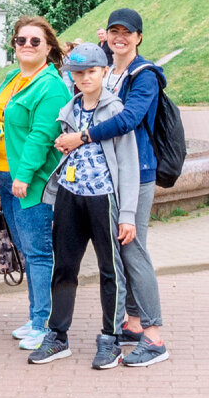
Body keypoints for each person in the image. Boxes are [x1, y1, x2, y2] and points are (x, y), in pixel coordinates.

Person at [53, 8, 169, 366]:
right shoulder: (110, 71)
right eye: (114, 31)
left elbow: (128, 120)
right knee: (122, 253)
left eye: (127, 33)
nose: (120, 37)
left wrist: (82, 136)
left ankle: (154, 336)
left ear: (138, 37)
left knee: (131, 250)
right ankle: (132, 324)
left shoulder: (144, 74)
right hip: (106, 176)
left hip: (137, 171)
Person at [29, 44, 137, 369]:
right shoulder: (69, 108)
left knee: (110, 270)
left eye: (92, 71)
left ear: (104, 72)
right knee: (64, 267)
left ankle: (111, 338)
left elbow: (128, 164)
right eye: (79, 73)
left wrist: (127, 214)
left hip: (103, 198)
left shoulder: (115, 110)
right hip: (69, 196)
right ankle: (57, 335)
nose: (85, 78)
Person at [0, 16, 72, 351]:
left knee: (38, 253)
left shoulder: (51, 86)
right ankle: (35, 316)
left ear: (48, 47)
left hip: (31, 180)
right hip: (5, 175)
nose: (26, 45)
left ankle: (44, 323)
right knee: (24, 248)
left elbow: (42, 135)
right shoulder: (15, 78)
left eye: (35, 41)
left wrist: (23, 175)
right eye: (20, 40)